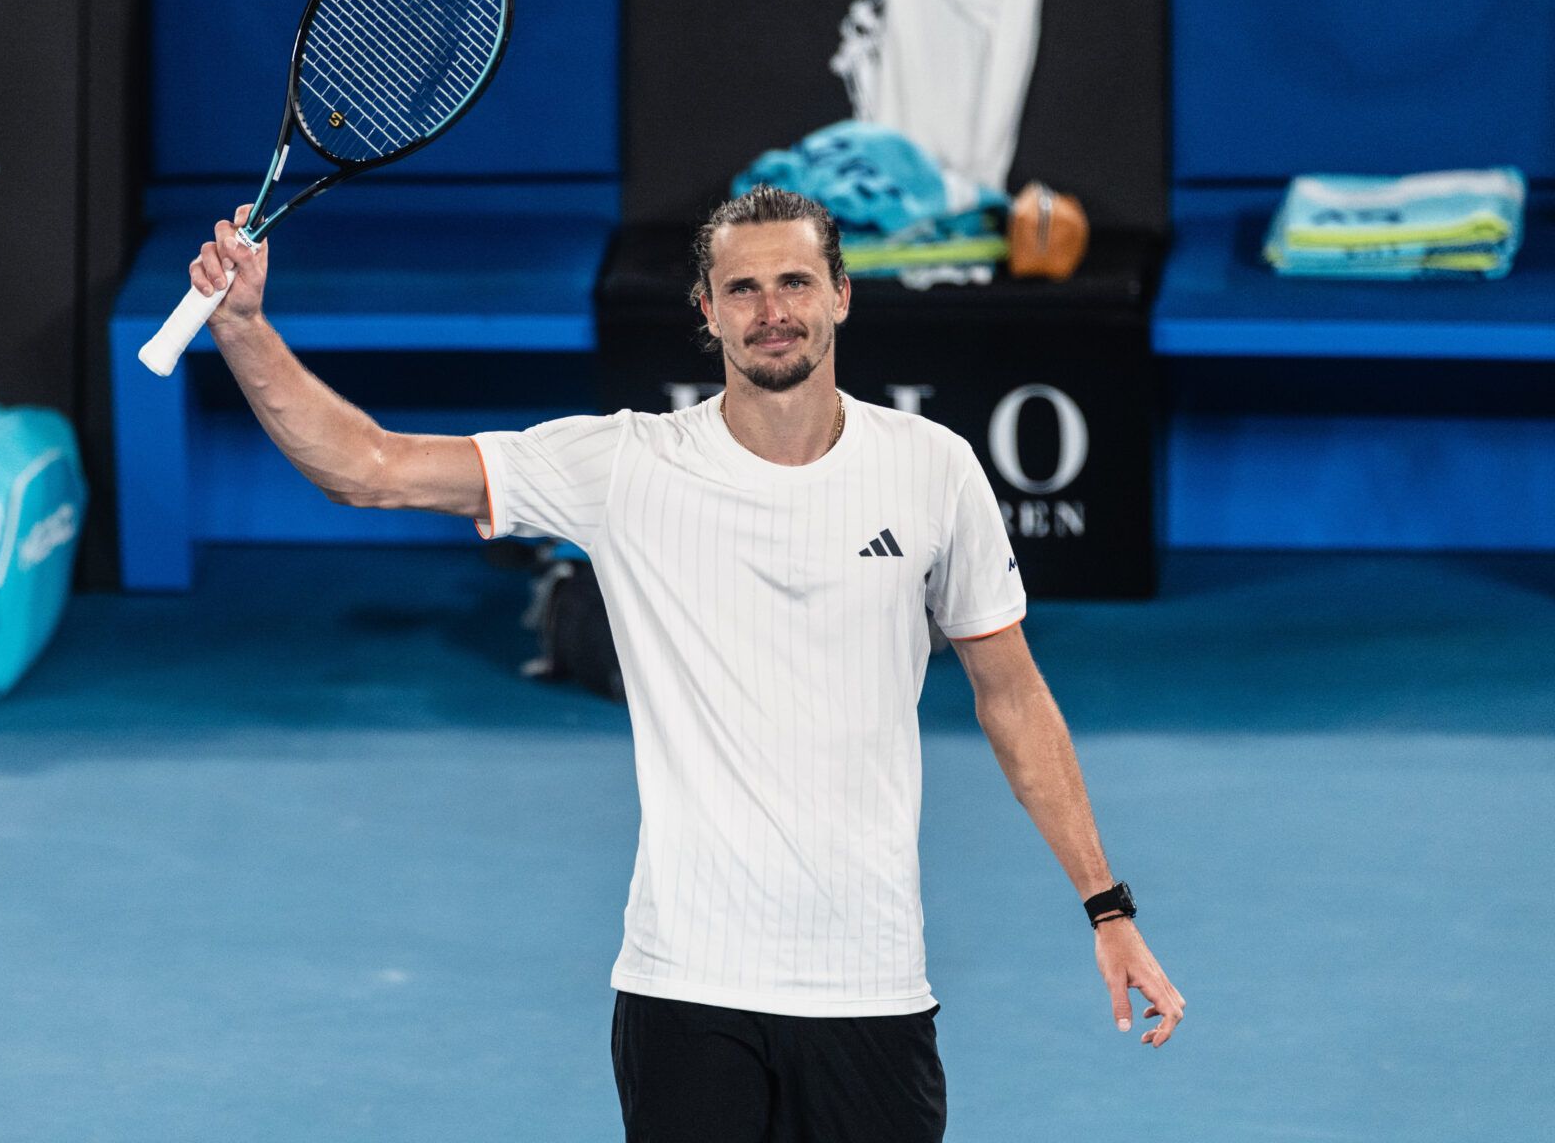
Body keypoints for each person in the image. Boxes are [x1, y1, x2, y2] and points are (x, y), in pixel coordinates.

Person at [189, 185, 1184, 1141]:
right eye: (742, 289)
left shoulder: (932, 467)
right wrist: (243, 329)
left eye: (794, 282)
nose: (771, 311)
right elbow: (370, 467)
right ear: (706, 313)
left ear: (842, 294)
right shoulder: (627, 464)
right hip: (684, 988)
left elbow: (1012, 695)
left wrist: (1107, 905)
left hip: (871, 985)